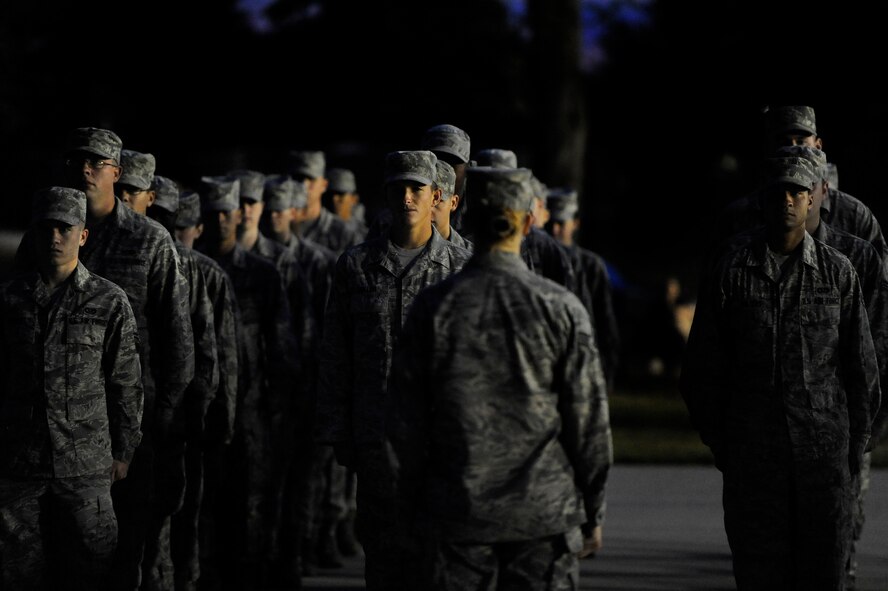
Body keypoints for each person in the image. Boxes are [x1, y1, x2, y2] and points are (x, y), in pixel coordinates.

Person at [389, 166, 612, 590]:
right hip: (542, 517)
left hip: (457, 514)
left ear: (469, 221)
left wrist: (410, 506)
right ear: (528, 223)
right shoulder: (561, 309)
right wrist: (593, 509)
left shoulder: (434, 308)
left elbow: (405, 424)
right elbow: (589, 423)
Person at [680, 155, 881, 590]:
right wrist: (721, 442)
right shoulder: (733, 270)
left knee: (823, 576)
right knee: (759, 576)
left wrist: (856, 447)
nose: (788, 200)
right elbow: (703, 366)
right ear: (763, 200)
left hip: (823, 466)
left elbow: (861, 368)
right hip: (754, 463)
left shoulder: (837, 272)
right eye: (779, 191)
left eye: (797, 191)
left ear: (812, 200)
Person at [16, 127, 196, 590]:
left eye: (96, 162)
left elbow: (177, 336)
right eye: (77, 160)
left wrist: (166, 417)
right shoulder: (45, 233)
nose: (85, 170)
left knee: (120, 549)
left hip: (129, 421)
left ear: (116, 172)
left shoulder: (149, 240)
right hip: (41, 439)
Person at [315, 150, 472, 590]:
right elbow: (336, 353)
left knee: (437, 560)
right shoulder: (356, 265)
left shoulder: (461, 267)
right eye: (398, 188)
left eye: (416, 188)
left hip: (439, 442)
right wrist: (337, 430)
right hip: (375, 439)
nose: (406, 197)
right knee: (382, 558)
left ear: (436, 196)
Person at [0, 186, 143, 590]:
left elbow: (126, 381)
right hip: (19, 463)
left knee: (90, 570)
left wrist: (124, 450)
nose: (55, 237)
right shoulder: (10, 299)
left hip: (85, 465)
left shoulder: (108, 300)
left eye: (65, 228)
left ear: (83, 235)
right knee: (17, 573)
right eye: (46, 227)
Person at [197, 175, 300, 590]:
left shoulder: (262, 273)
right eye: (214, 213)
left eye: (228, 212)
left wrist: (282, 409)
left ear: (239, 214)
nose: (222, 220)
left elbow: (282, 345)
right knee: (207, 505)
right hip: (204, 410)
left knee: (253, 505)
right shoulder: (190, 269)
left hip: (253, 409)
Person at [173, 189, 240, 591]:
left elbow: (223, 354)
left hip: (192, 418)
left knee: (196, 510)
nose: (174, 235)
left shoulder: (206, 273)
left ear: (196, 229)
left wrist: (223, 419)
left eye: (182, 227)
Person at [546, 188, 621, 391]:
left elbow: (605, 322)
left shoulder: (591, 265)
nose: (555, 230)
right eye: (551, 223)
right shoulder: (539, 259)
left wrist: (605, 373)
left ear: (575, 223)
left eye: (561, 223)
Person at [289, 150, 360, 255]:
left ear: (324, 185)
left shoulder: (343, 233)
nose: (304, 185)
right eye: (298, 179)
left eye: (311, 179)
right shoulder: (278, 225)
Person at [432, 159, 473, 250]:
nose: (428, 210)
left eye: (437, 201)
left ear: (453, 203)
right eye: (424, 202)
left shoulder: (469, 254)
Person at [326, 167, 368, 242]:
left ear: (354, 199)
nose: (334, 199)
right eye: (330, 194)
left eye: (340, 194)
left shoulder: (365, 236)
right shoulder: (319, 229)